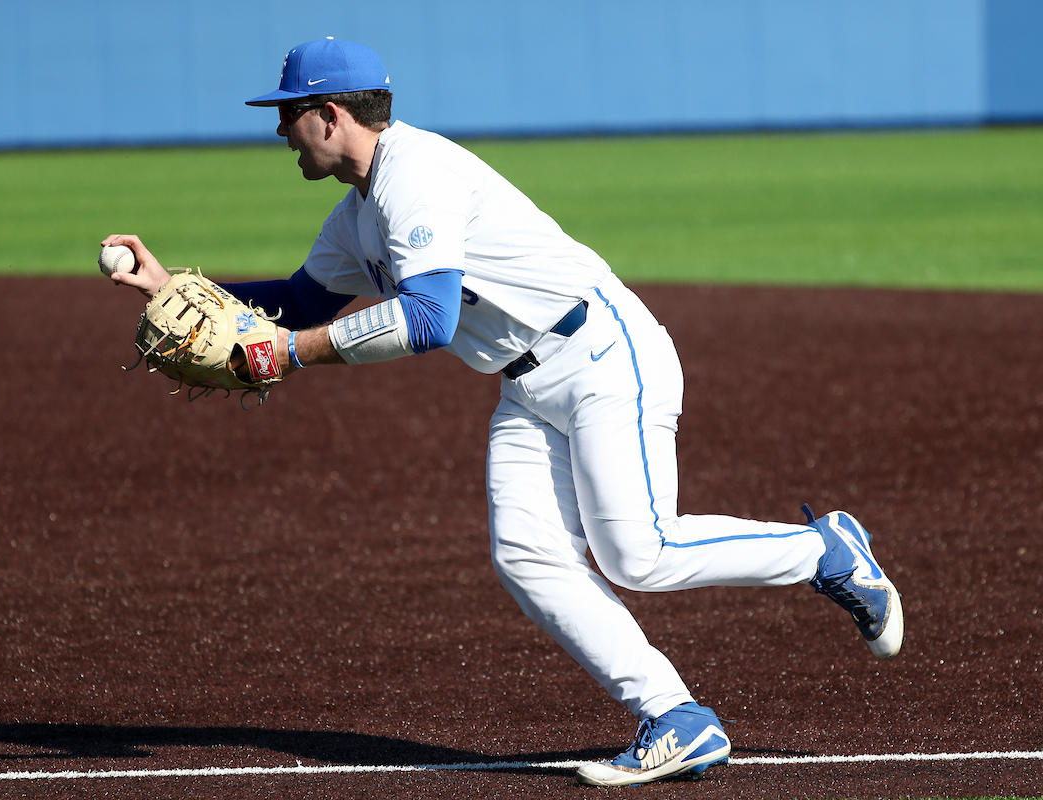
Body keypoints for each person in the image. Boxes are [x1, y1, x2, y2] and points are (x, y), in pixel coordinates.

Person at [103, 38, 904, 787]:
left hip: (602, 354)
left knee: (637, 554)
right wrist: (173, 288)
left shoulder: (416, 173)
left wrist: (293, 353)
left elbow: (427, 319)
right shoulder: (357, 215)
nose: (281, 131)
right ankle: (677, 716)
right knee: (528, 555)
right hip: (527, 383)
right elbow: (301, 298)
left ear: (331, 115)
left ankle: (823, 550)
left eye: (287, 114)